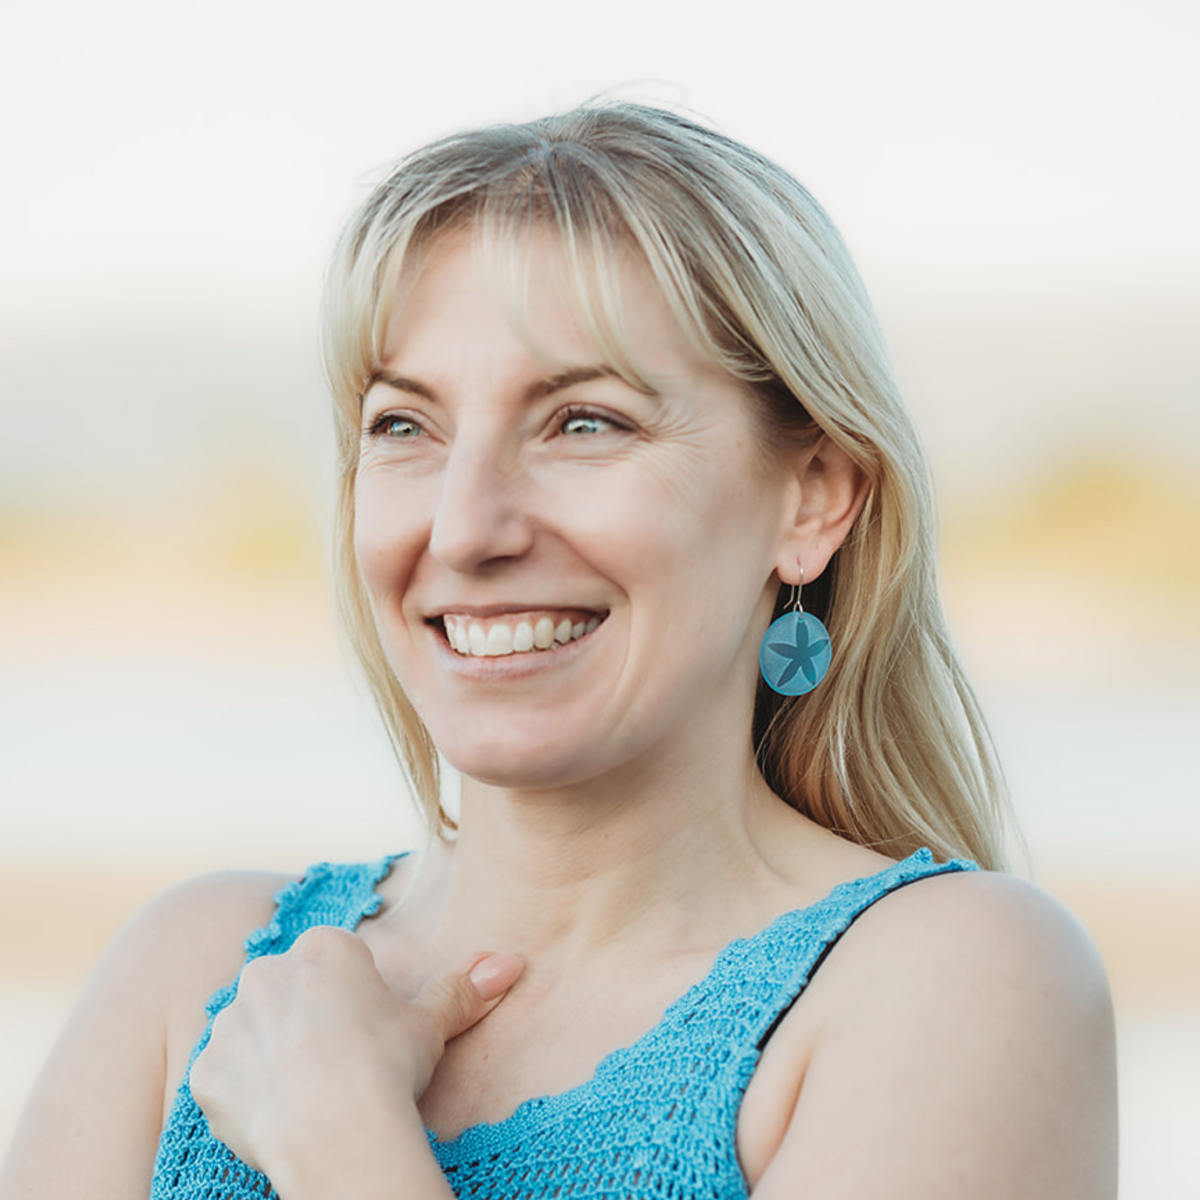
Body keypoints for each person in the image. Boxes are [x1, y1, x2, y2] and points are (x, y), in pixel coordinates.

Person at [0, 102, 1117, 1199]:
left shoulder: (947, 981)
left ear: (812, 499)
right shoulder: (201, 973)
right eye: (405, 426)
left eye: (585, 422)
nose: (465, 528)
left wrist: (343, 1147)